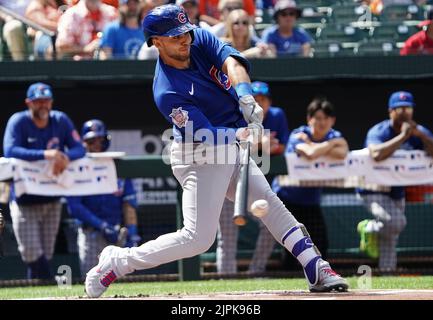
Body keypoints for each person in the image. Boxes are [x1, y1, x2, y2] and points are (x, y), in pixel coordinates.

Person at [84, 4, 348, 298]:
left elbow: (233, 63)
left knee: (270, 204)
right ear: (156, 42)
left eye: (184, 31)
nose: (184, 39)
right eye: (175, 36)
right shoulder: (167, 89)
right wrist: (243, 133)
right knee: (198, 239)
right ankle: (118, 262)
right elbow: (206, 135)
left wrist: (246, 97)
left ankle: (316, 267)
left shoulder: (198, 37)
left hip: (230, 142)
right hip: (198, 153)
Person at [3, 82, 86, 279]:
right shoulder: (19, 121)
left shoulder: (60, 120)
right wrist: (46, 154)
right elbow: (10, 150)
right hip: (25, 198)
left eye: (46, 101)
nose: (43, 105)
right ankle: (47, 283)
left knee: (46, 253)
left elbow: (80, 148)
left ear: (51, 102)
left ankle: (38, 289)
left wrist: (65, 157)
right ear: (28, 103)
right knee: (31, 251)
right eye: (38, 101)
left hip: (51, 197)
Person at [216, 81, 289, 274]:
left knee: (271, 226)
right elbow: (236, 143)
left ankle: (255, 271)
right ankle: (227, 280)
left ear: (269, 101)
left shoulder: (276, 115)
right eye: (255, 99)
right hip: (230, 180)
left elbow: (282, 146)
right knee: (227, 238)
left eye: (263, 99)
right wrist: (261, 144)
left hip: (256, 184)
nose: (259, 103)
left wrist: (262, 144)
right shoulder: (237, 115)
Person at [356, 91, 433, 273]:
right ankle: (369, 227)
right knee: (397, 223)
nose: (405, 112)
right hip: (372, 188)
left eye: (408, 108)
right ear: (391, 111)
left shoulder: (418, 131)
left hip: (396, 189)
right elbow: (375, 154)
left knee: (391, 234)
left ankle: (387, 271)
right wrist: (402, 137)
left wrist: (420, 136)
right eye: (400, 109)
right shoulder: (380, 131)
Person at [273, 97, 349, 269]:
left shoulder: (333, 135)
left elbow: (343, 150)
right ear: (309, 119)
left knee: (320, 241)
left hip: (311, 201)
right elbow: (309, 153)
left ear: (332, 121)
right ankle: (287, 277)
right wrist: (327, 146)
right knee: (291, 243)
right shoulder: (298, 135)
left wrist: (320, 146)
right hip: (286, 199)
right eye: (318, 118)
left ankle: (321, 272)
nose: (321, 122)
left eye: (326, 118)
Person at [66, 119, 141, 278]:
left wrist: (132, 234)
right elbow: (74, 207)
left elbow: (129, 203)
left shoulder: (117, 165)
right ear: (84, 142)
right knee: (91, 279)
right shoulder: (77, 167)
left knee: (122, 282)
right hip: (91, 234)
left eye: (100, 140)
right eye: (91, 140)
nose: (96, 144)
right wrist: (101, 225)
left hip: (117, 232)